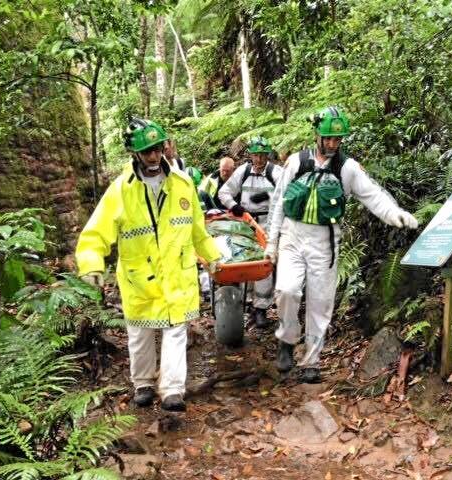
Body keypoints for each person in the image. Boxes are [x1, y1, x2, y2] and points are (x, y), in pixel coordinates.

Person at [75, 117, 221, 411]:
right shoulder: (120, 190)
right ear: (135, 154)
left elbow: (197, 229)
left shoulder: (182, 185)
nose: (154, 157)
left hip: (177, 273)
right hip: (139, 276)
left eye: (157, 149)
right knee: (140, 332)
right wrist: (91, 263)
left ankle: (172, 389)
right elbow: (96, 231)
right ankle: (142, 383)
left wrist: (213, 257)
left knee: (176, 330)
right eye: (147, 152)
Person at [264, 107, 418, 383]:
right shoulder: (296, 163)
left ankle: (311, 360)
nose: (333, 144)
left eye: (338, 139)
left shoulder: (347, 168)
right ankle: (287, 338)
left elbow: (373, 195)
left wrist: (395, 214)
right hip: (292, 236)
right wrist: (271, 243)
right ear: (317, 136)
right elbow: (278, 202)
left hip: (325, 241)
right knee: (286, 290)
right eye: (328, 139)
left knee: (321, 302)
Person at [218, 137, 283, 328]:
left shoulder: (276, 172)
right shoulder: (243, 171)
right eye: (256, 155)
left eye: (263, 155)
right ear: (251, 155)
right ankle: (246, 304)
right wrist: (234, 206)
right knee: (244, 260)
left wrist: (269, 196)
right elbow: (224, 192)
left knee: (264, 263)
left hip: (268, 223)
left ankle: (261, 308)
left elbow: (288, 192)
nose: (259, 159)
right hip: (246, 223)